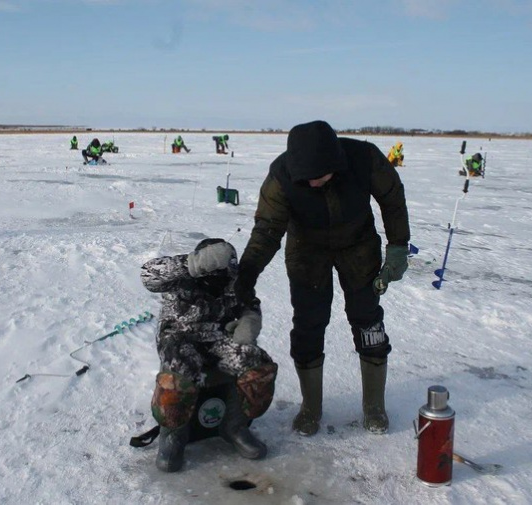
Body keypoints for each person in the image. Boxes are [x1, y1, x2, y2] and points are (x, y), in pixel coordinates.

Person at [233, 120, 410, 436]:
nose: (313, 184)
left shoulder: (364, 158)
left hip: (358, 245)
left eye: (319, 178)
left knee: (367, 318)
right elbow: (267, 231)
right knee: (308, 323)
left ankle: (374, 406)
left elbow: (392, 199)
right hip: (306, 249)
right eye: (307, 180)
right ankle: (310, 407)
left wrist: (397, 245)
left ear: (336, 164)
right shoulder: (281, 176)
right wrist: (245, 275)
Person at [142, 238, 278, 472]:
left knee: (256, 363)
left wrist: (249, 322)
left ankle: (235, 426)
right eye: (212, 265)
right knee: (178, 370)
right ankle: (173, 435)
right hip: (179, 338)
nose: (218, 274)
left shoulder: (235, 281)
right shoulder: (182, 276)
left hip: (218, 339)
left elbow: (250, 304)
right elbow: (148, 275)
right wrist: (193, 263)